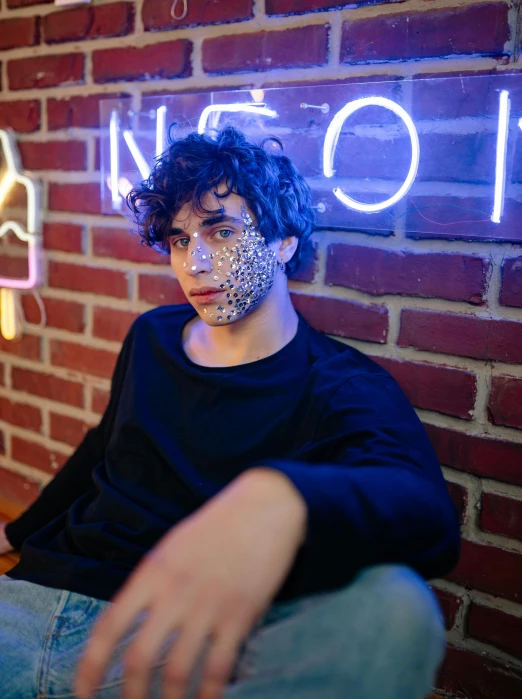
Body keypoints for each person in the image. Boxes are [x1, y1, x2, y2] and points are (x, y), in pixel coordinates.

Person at [0, 125, 460, 699]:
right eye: (176, 240)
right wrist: (15, 531)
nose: (193, 263)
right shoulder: (154, 335)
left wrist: (285, 495)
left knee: (397, 604)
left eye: (220, 232)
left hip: (177, 636)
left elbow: (431, 521)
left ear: (283, 242)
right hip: (38, 598)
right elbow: (104, 446)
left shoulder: (339, 386)